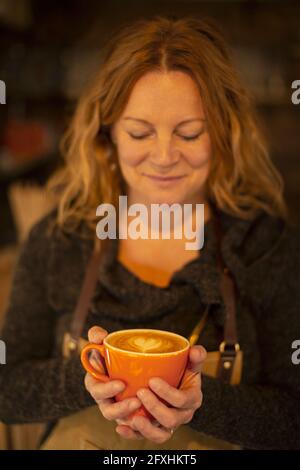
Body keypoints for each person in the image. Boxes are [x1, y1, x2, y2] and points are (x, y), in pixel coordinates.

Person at [0, 15, 299, 450]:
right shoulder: (60, 239)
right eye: (140, 132)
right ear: (108, 136)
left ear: (222, 133)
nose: (163, 156)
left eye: (189, 132)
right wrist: (89, 378)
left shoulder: (265, 244)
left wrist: (204, 403)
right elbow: (7, 389)